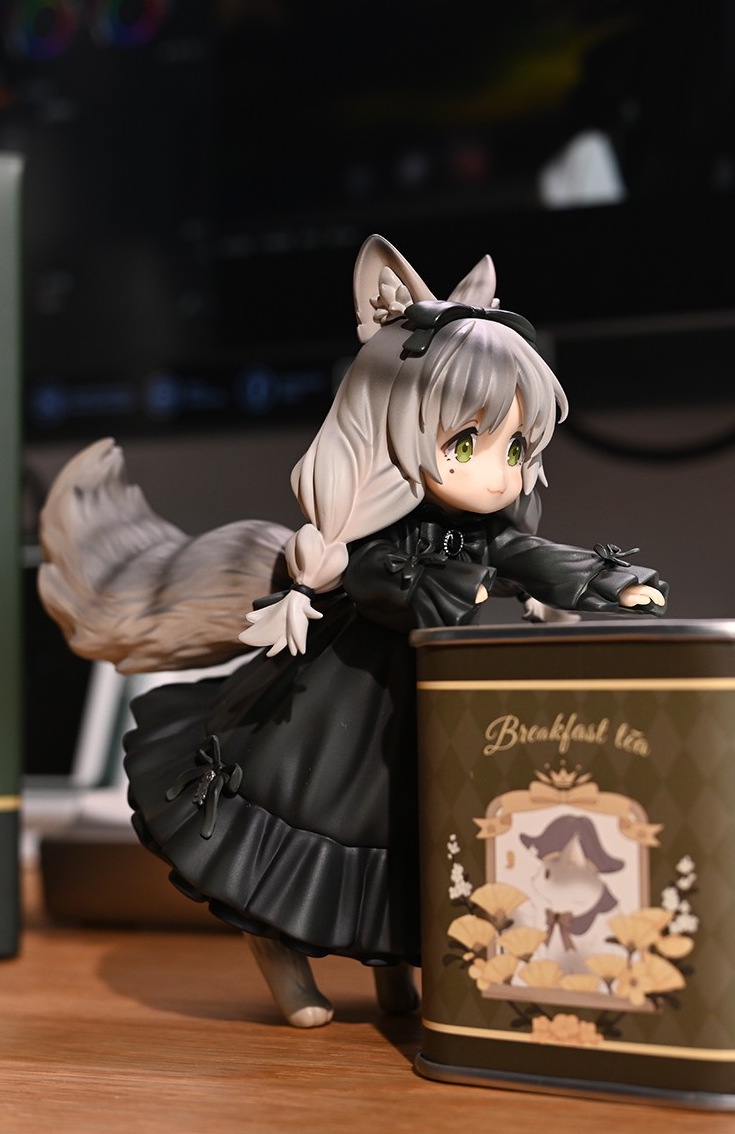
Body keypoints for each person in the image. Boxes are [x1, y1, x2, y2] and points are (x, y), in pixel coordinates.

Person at [38, 235, 669, 1026]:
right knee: (303, 829)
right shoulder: (367, 534)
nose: (498, 473)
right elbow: (387, 584)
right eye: (466, 444)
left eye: (515, 447)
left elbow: (528, 555)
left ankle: (392, 976)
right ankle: (282, 957)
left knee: (406, 837)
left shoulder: (480, 528)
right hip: (335, 710)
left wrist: (608, 584)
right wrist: (468, 584)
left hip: (414, 711)